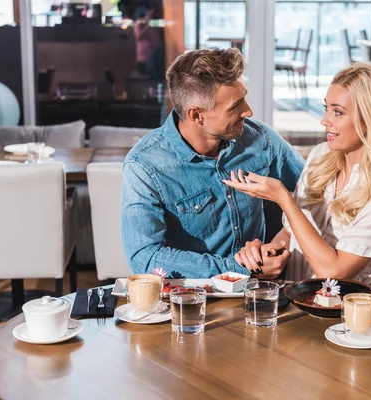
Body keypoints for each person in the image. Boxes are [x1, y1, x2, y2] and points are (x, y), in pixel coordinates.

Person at [223, 63, 371, 329]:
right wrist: (269, 254)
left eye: (338, 112)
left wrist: (284, 199)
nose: (324, 121)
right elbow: (291, 232)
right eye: (326, 108)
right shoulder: (323, 157)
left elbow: (335, 271)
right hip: (315, 301)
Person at [121, 48, 304, 279]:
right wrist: (238, 269)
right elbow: (144, 258)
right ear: (196, 115)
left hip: (262, 292)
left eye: (244, 98)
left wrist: (283, 238)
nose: (248, 111)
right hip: (192, 300)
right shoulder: (145, 166)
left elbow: (314, 191)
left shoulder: (261, 140)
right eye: (234, 106)